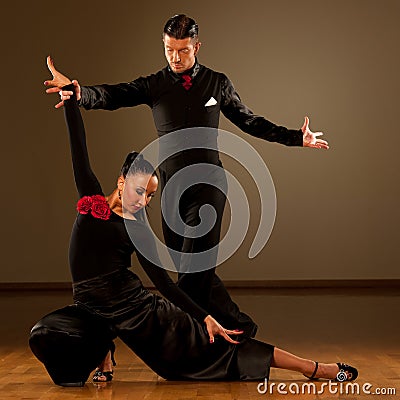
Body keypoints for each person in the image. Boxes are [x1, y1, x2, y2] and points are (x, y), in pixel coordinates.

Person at [31, 57, 356, 387]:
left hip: (145, 317)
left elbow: (165, 284)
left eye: (150, 197)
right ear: (121, 182)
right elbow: (78, 148)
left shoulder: (137, 228)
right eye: (140, 191)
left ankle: (314, 368)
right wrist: (72, 94)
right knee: (49, 336)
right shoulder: (91, 201)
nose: (143, 201)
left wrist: (205, 317)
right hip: (93, 308)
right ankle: (105, 355)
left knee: (220, 350)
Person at [45, 14, 329, 341]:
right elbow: (114, 94)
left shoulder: (217, 83)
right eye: (169, 50)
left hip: (209, 186)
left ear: (197, 46)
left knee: (193, 272)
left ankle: (191, 337)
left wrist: (297, 137)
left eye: (183, 50)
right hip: (170, 191)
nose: (176, 58)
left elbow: (251, 122)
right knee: (192, 269)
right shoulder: (155, 84)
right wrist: (80, 94)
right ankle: (242, 328)